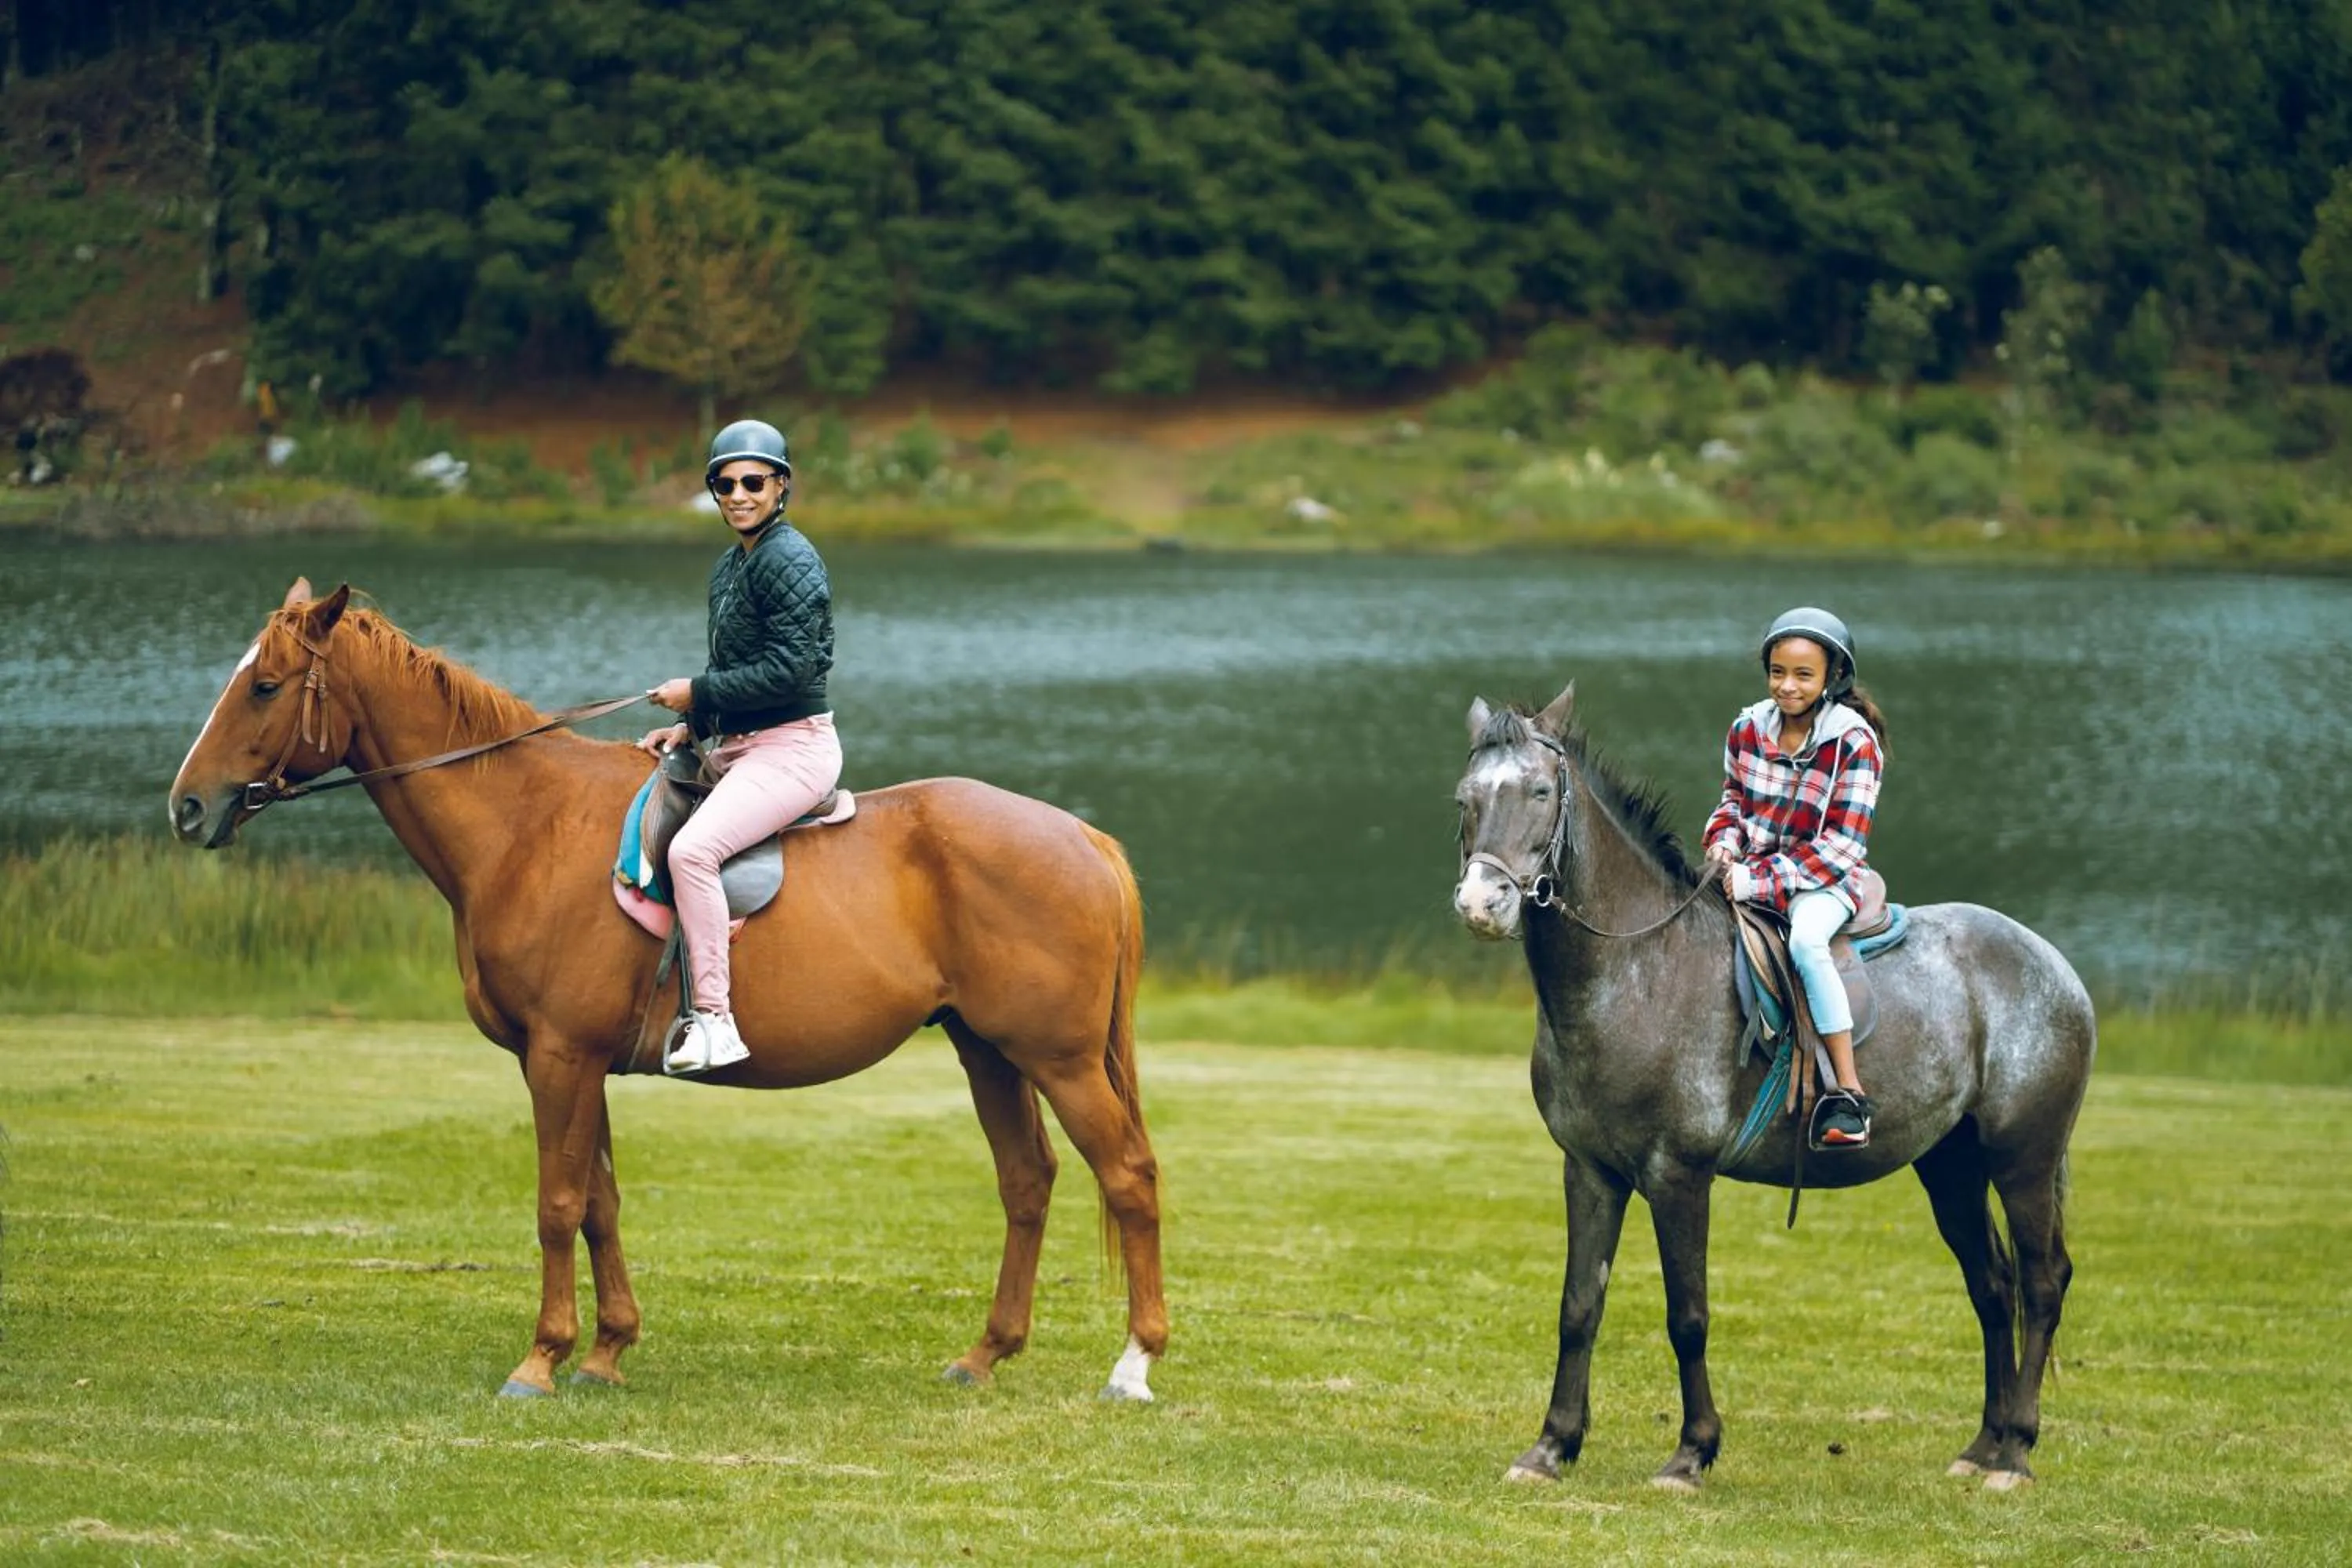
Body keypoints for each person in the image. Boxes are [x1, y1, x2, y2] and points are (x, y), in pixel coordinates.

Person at [640, 419, 841, 1073]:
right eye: (724, 484)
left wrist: (695, 692)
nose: (739, 494)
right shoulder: (733, 565)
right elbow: (738, 669)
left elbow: (791, 669)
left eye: (753, 481)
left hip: (793, 749)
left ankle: (715, 1022)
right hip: (737, 744)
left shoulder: (788, 558)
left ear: (781, 485)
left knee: (693, 852)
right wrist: (692, 725)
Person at [1701, 607, 1889, 1149]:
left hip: (1826, 882)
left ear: (1832, 678)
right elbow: (1733, 801)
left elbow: (1842, 846)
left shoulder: (1854, 743)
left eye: (1803, 675)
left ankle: (1848, 1094)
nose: (1787, 686)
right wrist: (1724, 845)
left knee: (1808, 943)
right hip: (1749, 870)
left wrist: (1757, 884)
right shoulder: (1746, 729)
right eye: (1777, 672)